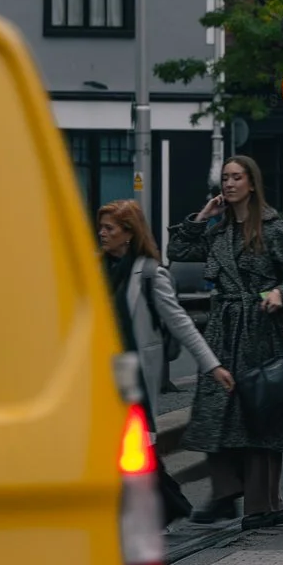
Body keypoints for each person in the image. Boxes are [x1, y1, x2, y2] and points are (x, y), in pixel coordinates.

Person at [169, 155, 283, 531]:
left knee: (259, 414)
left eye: (236, 178)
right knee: (214, 412)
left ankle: (264, 503)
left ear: (251, 182)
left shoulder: (273, 228)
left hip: (258, 332)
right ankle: (226, 491)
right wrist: (202, 215)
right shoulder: (218, 230)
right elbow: (179, 252)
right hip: (222, 331)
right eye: (225, 179)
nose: (229, 184)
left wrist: (280, 293)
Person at [97, 199, 230, 524]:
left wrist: (212, 366)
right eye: (101, 227)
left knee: (135, 449)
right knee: (128, 450)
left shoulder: (149, 274)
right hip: (100, 375)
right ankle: (165, 507)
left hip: (134, 378)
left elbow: (181, 324)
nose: (101, 233)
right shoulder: (94, 269)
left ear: (128, 233)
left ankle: (163, 508)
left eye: (109, 228)